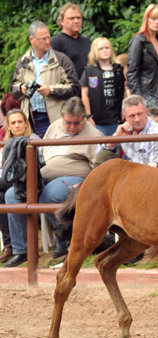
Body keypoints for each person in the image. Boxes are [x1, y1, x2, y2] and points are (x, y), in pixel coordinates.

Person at [4, 98, 102, 266]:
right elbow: (41, 151)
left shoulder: (95, 135)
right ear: (62, 117)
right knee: (12, 194)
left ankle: (66, 242)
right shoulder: (55, 126)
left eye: (76, 123)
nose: (71, 127)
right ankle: (22, 250)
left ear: (83, 118)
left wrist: (86, 183)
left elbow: (99, 168)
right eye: (67, 122)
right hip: (43, 174)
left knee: (51, 193)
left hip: (74, 178)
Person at [11, 21, 80, 138]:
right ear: (31, 40)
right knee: (33, 154)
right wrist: (22, 89)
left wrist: (51, 90)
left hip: (56, 117)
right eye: (43, 39)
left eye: (48, 37)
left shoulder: (62, 59)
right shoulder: (23, 61)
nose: (48, 41)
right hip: (30, 119)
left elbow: (75, 88)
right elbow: (13, 88)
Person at [0, 110, 41, 263]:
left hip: (28, 181)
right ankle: (10, 244)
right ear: (8, 126)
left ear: (25, 123)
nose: (17, 125)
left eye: (20, 122)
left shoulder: (32, 139)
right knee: (1, 197)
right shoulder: (6, 142)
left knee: (8, 193)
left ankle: (18, 247)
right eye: (13, 123)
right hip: (10, 181)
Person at [96, 95, 158, 168]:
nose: (137, 119)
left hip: (155, 178)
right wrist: (116, 137)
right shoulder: (125, 129)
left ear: (146, 112)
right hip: (132, 175)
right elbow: (99, 155)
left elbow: (157, 167)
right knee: (104, 154)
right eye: (132, 116)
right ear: (125, 116)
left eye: (140, 114)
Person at [127, 4, 158, 110]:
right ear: (146, 19)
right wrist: (139, 100)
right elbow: (132, 73)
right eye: (153, 18)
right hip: (145, 96)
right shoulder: (138, 40)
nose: (157, 22)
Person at [80, 37, 126, 137]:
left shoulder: (118, 69)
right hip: (97, 120)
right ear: (95, 51)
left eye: (107, 47)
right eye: (101, 49)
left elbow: (124, 91)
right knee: (100, 149)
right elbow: (84, 95)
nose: (105, 50)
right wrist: (88, 116)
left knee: (116, 147)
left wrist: (124, 109)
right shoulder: (89, 71)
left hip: (116, 118)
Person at [50, 2, 91, 79]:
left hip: (88, 88)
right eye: (71, 18)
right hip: (67, 89)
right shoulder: (56, 43)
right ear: (61, 21)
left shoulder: (88, 42)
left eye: (78, 18)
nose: (76, 21)